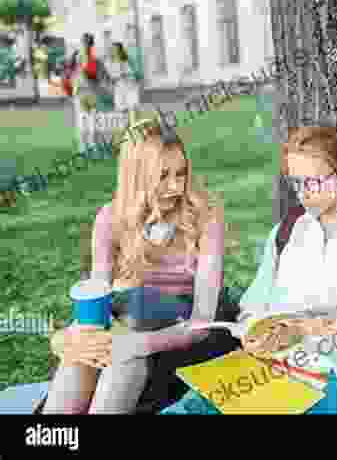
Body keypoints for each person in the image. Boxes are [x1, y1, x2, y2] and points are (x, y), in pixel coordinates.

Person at [161, 125, 337, 414]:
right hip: (263, 368)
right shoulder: (287, 231)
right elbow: (253, 307)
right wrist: (257, 332)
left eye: (314, 181)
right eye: (296, 182)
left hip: (334, 374)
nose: (304, 193)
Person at [42, 119, 236, 414]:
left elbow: (201, 323)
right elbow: (97, 303)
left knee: (124, 354)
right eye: (162, 176)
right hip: (129, 323)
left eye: (181, 174)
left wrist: (137, 344)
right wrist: (67, 340)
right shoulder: (110, 218)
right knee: (82, 356)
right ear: (137, 176)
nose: (175, 186)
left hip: (184, 337)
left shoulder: (206, 217)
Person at [68, 33, 113, 155]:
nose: (85, 46)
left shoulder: (96, 61)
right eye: (84, 43)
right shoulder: (75, 60)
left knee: (93, 123)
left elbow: (105, 78)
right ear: (81, 44)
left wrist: (100, 82)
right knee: (83, 122)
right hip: (80, 94)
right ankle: (84, 148)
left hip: (93, 93)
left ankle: (94, 147)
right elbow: (68, 74)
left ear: (91, 45)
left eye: (88, 43)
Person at [107, 42, 140, 128]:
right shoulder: (110, 63)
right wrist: (115, 78)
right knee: (122, 113)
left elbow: (137, 75)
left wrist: (129, 75)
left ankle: (136, 130)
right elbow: (109, 78)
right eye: (113, 50)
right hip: (119, 89)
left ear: (121, 50)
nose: (115, 51)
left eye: (117, 49)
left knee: (133, 110)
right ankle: (127, 132)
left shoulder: (129, 61)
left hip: (131, 88)